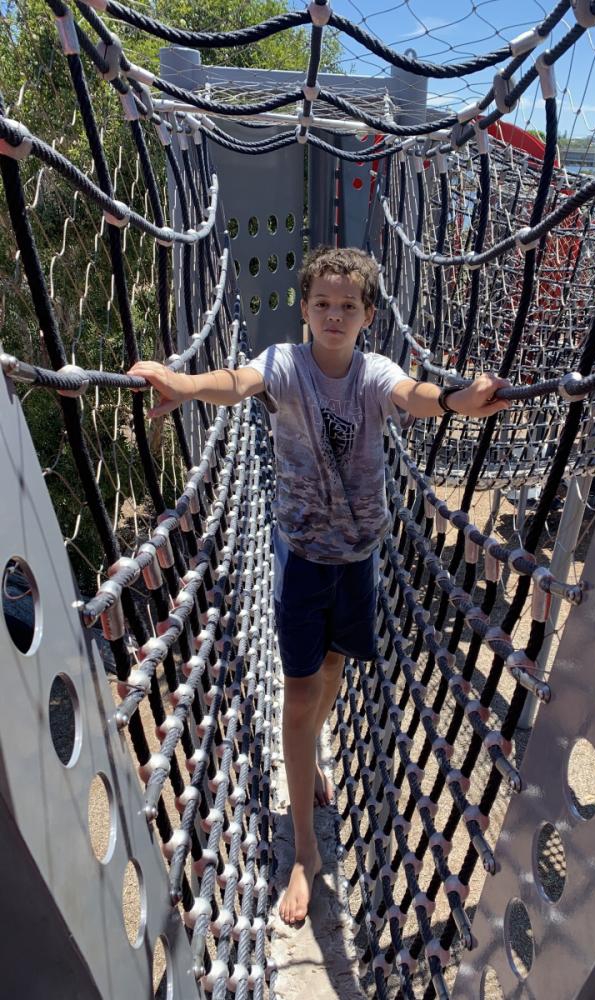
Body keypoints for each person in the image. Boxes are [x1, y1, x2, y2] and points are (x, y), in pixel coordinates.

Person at [129, 246, 511, 925]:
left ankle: (308, 758)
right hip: (303, 556)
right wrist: (183, 385)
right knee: (303, 691)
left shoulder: (373, 373)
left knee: (333, 673)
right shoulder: (286, 365)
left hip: (359, 557)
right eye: (323, 304)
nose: (335, 315)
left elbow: (415, 398)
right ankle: (303, 848)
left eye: (348, 306)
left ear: (367, 317)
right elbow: (236, 382)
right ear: (304, 310)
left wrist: (458, 399)